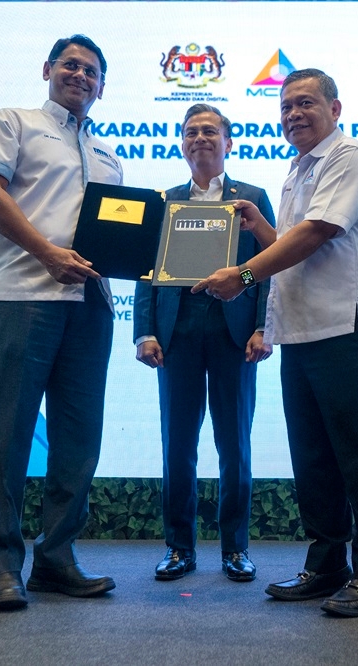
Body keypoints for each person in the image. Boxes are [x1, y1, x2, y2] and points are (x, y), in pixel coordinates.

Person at [194, 69, 358, 617]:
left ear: (336, 108)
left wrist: (243, 274)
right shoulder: (296, 170)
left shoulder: (349, 158)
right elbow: (293, 245)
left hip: (349, 328)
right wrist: (261, 229)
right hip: (302, 332)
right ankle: (327, 563)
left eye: (305, 103)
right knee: (313, 459)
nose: (293, 114)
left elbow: (319, 232)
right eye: (285, 107)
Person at [0, 34, 122, 611]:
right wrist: (46, 253)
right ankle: (1, 568)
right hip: (20, 297)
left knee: (79, 440)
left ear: (102, 86)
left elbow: (119, 232)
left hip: (90, 305)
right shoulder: (14, 122)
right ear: (47, 70)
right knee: (5, 437)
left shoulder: (109, 155)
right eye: (70, 65)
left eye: (91, 71)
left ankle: (56, 559)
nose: (80, 75)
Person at [133, 104, 275, 583]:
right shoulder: (165, 201)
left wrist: (264, 326)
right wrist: (145, 331)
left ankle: (236, 548)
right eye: (191, 132)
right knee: (177, 443)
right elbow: (146, 271)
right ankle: (179, 548)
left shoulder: (251, 198)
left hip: (235, 333)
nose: (200, 138)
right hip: (176, 333)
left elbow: (270, 265)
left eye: (210, 130)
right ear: (181, 144)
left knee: (235, 444)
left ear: (228, 142)